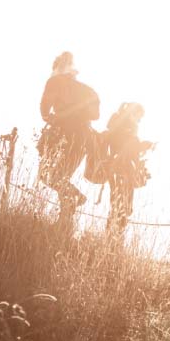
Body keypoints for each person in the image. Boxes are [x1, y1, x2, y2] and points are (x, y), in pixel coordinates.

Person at [38, 52, 99, 229]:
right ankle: (64, 223)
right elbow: (96, 115)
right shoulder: (87, 90)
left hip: (63, 136)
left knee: (47, 175)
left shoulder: (54, 81)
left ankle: (75, 198)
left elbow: (44, 109)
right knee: (62, 177)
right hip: (83, 138)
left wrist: (52, 117)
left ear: (56, 67)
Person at [104, 102, 153, 235]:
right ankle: (115, 235)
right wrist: (146, 145)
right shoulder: (130, 128)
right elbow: (129, 148)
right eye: (139, 117)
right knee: (123, 204)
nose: (140, 120)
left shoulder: (117, 125)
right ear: (133, 113)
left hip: (115, 168)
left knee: (117, 202)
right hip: (124, 169)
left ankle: (111, 233)